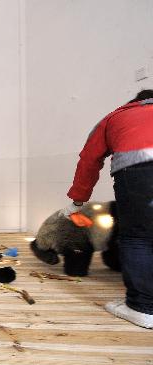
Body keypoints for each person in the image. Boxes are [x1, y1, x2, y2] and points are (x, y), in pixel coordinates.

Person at [63, 89, 153, 329]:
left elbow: (89, 160)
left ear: (133, 103)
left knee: (137, 238)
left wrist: (77, 200)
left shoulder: (115, 117)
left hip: (139, 176)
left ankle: (141, 306)